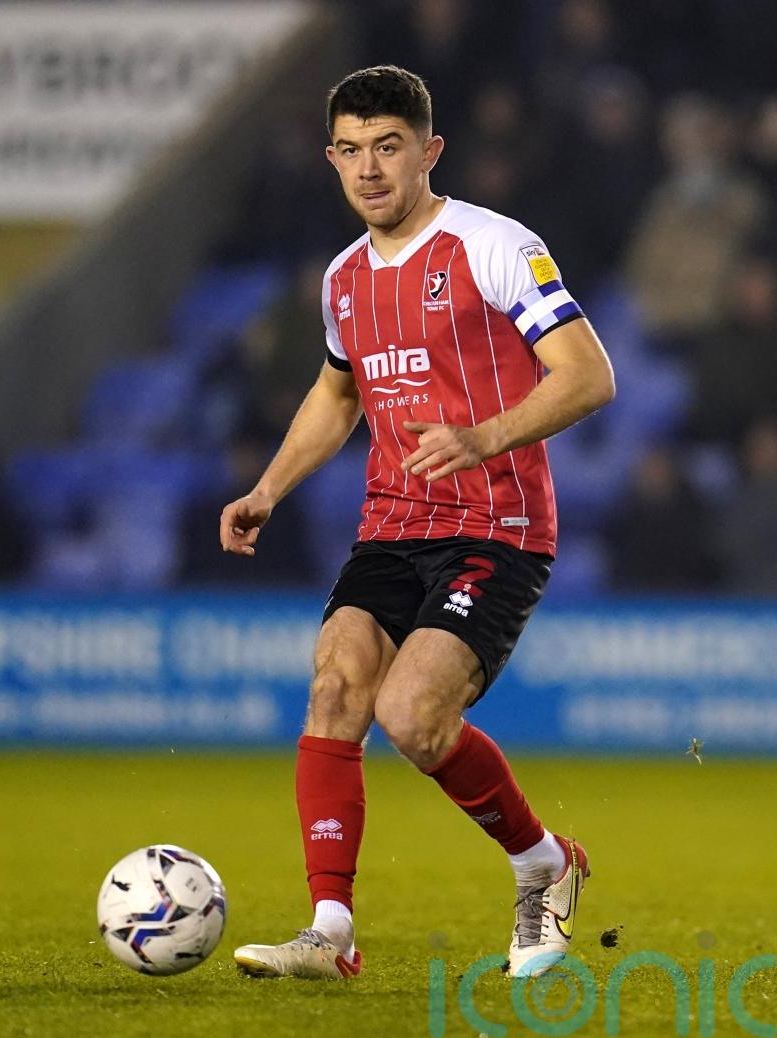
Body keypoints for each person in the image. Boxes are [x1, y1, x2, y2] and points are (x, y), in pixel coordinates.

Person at [220, 66, 615, 981]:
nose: (369, 170)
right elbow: (337, 391)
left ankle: (543, 863)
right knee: (334, 690)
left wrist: (484, 436)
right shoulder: (344, 279)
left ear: (429, 151)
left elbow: (589, 375)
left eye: (388, 147)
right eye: (351, 152)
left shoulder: (493, 245)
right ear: (330, 160)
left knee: (413, 717)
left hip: (497, 525)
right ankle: (330, 931)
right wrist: (270, 486)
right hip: (393, 525)